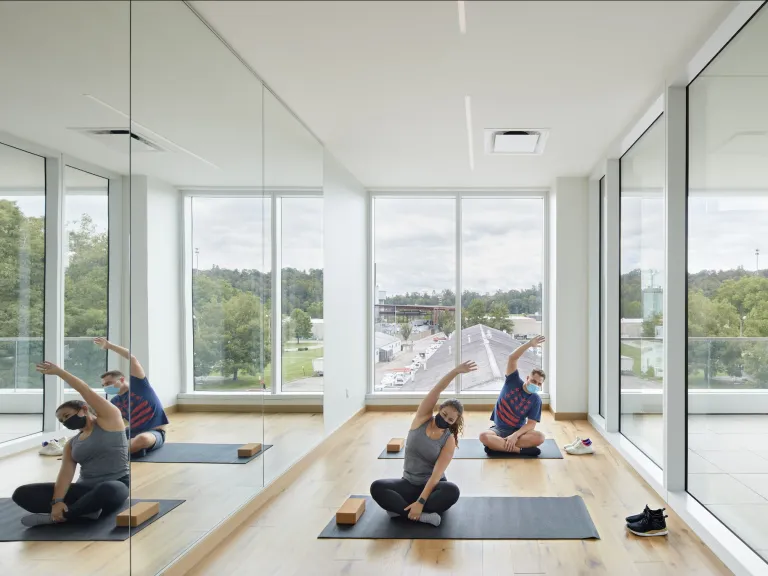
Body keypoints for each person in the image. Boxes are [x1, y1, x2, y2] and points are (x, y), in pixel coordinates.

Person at [12, 362, 129, 527]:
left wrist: (60, 373)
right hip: (83, 491)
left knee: (108, 490)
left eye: (67, 416)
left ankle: (61, 517)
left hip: (116, 485)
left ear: (83, 409)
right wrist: (57, 501)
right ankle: (84, 511)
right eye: (62, 420)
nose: (65, 421)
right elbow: (65, 475)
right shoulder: (72, 444)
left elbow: (86, 391)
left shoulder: (110, 421)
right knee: (21, 494)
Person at [370, 361, 477, 527]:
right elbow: (437, 390)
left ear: (453, 423)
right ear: (439, 409)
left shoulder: (448, 439)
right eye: (444, 414)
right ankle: (420, 516)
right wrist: (455, 371)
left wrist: (421, 501)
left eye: (450, 419)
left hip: (433, 487)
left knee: (452, 491)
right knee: (377, 487)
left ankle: (402, 510)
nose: (445, 419)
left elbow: (436, 474)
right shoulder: (421, 419)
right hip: (408, 483)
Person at [96, 338, 169, 457]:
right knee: (99, 436)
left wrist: (109, 346)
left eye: (109, 383)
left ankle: (110, 452)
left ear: (122, 380)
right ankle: (125, 449)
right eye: (104, 385)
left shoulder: (139, 386)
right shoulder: (115, 402)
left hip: (154, 432)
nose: (106, 387)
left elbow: (132, 359)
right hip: (131, 432)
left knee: (143, 440)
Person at [479, 335, 546, 456]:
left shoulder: (536, 400)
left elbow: (531, 424)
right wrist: (529, 344)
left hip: (517, 431)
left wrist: (515, 436)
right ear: (527, 378)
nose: (535, 385)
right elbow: (512, 358)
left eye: (539, 384)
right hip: (498, 429)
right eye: (533, 381)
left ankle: (497, 447)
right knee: (484, 436)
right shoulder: (513, 381)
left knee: (540, 437)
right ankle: (518, 450)